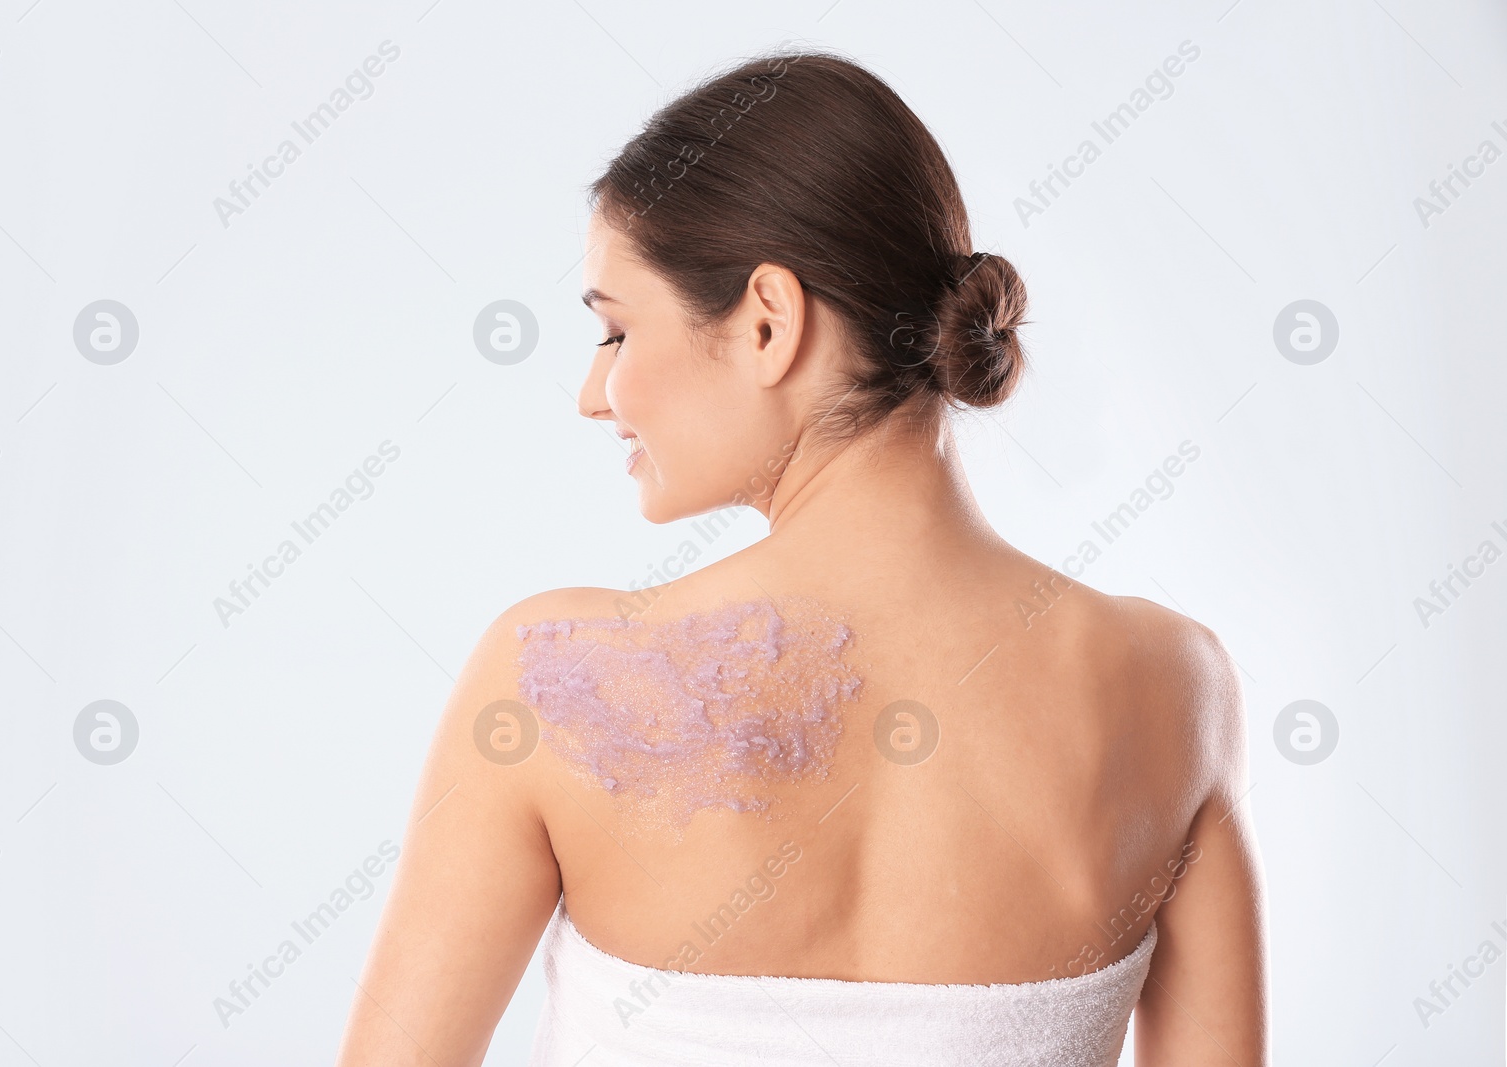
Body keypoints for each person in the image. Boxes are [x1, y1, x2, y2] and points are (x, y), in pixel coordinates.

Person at [335, 49, 1267, 1067]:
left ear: (769, 322)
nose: (593, 394)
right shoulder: (1170, 682)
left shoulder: (556, 672)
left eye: (613, 332)